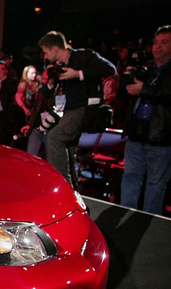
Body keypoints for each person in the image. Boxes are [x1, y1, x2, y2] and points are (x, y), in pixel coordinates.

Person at [120, 25, 171, 214]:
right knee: (130, 176)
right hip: (137, 132)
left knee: (156, 183)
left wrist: (144, 89)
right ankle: (125, 216)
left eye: (164, 42)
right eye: (155, 43)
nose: (157, 47)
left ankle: (147, 222)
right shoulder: (148, 67)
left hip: (164, 135)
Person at [37, 31, 116, 187]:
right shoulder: (57, 67)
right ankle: (73, 190)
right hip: (66, 111)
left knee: (55, 137)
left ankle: (62, 186)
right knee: (68, 148)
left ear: (54, 49)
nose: (45, 57)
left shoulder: (84, 56)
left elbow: (110, 69)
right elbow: (44, 93)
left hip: (84, 108)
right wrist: (52, 82)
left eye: (45, 52)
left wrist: (78, 74)